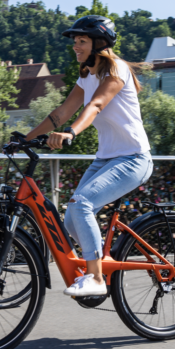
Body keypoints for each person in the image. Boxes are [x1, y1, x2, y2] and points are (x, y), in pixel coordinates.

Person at [23, 15, 153, 297]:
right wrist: (26, 138)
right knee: (70, 218)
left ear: (99, 43)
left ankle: (95, 278)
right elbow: (60, 113)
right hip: (106, 158)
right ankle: (96, 261)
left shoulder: (116, 70)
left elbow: (95, 105)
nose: (75, 47)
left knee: (81, 204)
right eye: (75, 42)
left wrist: (71, 133)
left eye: (81, 41)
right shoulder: (87, 75)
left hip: (133, 158)